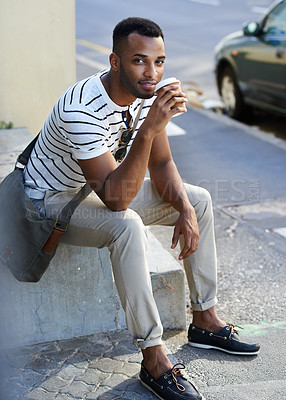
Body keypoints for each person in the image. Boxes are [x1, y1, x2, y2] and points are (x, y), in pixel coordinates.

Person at [24, 17, 260, 400]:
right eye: (139, 61)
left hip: (94, 189)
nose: (152, 73)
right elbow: (117, 201)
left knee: (196, 199)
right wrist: (149, 128)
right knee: (127, 224)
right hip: (50, 204)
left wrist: (183, 208)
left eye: (159, 61)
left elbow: (163, 166)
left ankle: (204, 319)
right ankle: (153, 358)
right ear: (116, 62)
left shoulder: (144, 94)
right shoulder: (81, 109)